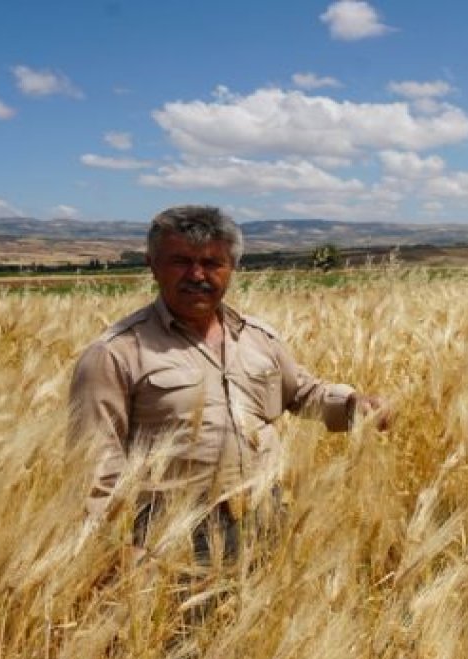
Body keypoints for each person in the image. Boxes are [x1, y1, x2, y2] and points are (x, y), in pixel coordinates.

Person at [68, 205, 389, 564]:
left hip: (265, 513)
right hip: (170, 535)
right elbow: (94, 460)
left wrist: (350, 404)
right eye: (180, 261)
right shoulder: (115, 353)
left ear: (232, 268)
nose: (197, 274)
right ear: (152, 265)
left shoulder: (258, 338)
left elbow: (299, 392)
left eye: (211, 263)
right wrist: (109, 548)